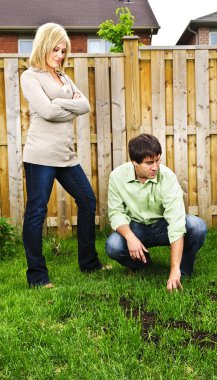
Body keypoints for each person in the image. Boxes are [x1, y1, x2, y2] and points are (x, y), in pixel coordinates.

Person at [21, 23, 104, 288]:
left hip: (66, 155)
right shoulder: (31, 77)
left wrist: (59, 103)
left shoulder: (64, 78)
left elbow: (86, 106)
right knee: (37, 212)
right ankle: (37, 276)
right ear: (43, 45)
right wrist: (67, 107)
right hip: (40, 156)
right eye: (55, 49)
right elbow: (46, 112)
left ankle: (89, 264)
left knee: (88, 201)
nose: (59, 54)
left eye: (63, 50)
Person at [105, 134, 207, 293]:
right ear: (134, 162)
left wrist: (174, 268)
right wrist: (130, 238)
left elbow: (176, 222)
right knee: (113, 246)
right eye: (149, 163)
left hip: (163, 226)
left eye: (158, 160)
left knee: (197, 226)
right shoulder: (117, 176)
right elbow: (116, 213)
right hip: (136, 228)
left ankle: (182, 271)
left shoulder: (167, 177)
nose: (155, 167)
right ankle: (142, 264)